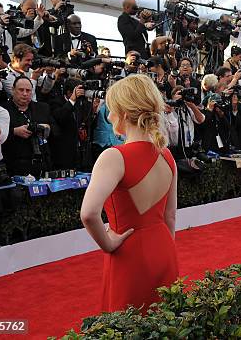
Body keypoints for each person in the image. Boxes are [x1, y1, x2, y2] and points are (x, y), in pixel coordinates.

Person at [80, 74, 179, 313]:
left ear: (124, 114)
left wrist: (108, 244)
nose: (109, 115)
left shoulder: (114, 157)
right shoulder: (167, 156)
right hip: (165, 250)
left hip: (130, 254)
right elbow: (170, 217)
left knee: (127, 326)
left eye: (111, 109)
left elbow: (89, 214)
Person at [2, 77, 54, 177]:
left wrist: (46, 128)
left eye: (28, 90)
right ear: (13, 90)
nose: (25, 94)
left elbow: (55, 130)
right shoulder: (3, 109)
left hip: (41, 164)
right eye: (21, 90)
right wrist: (14, 131)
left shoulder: (43, 108)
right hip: (14, 165)